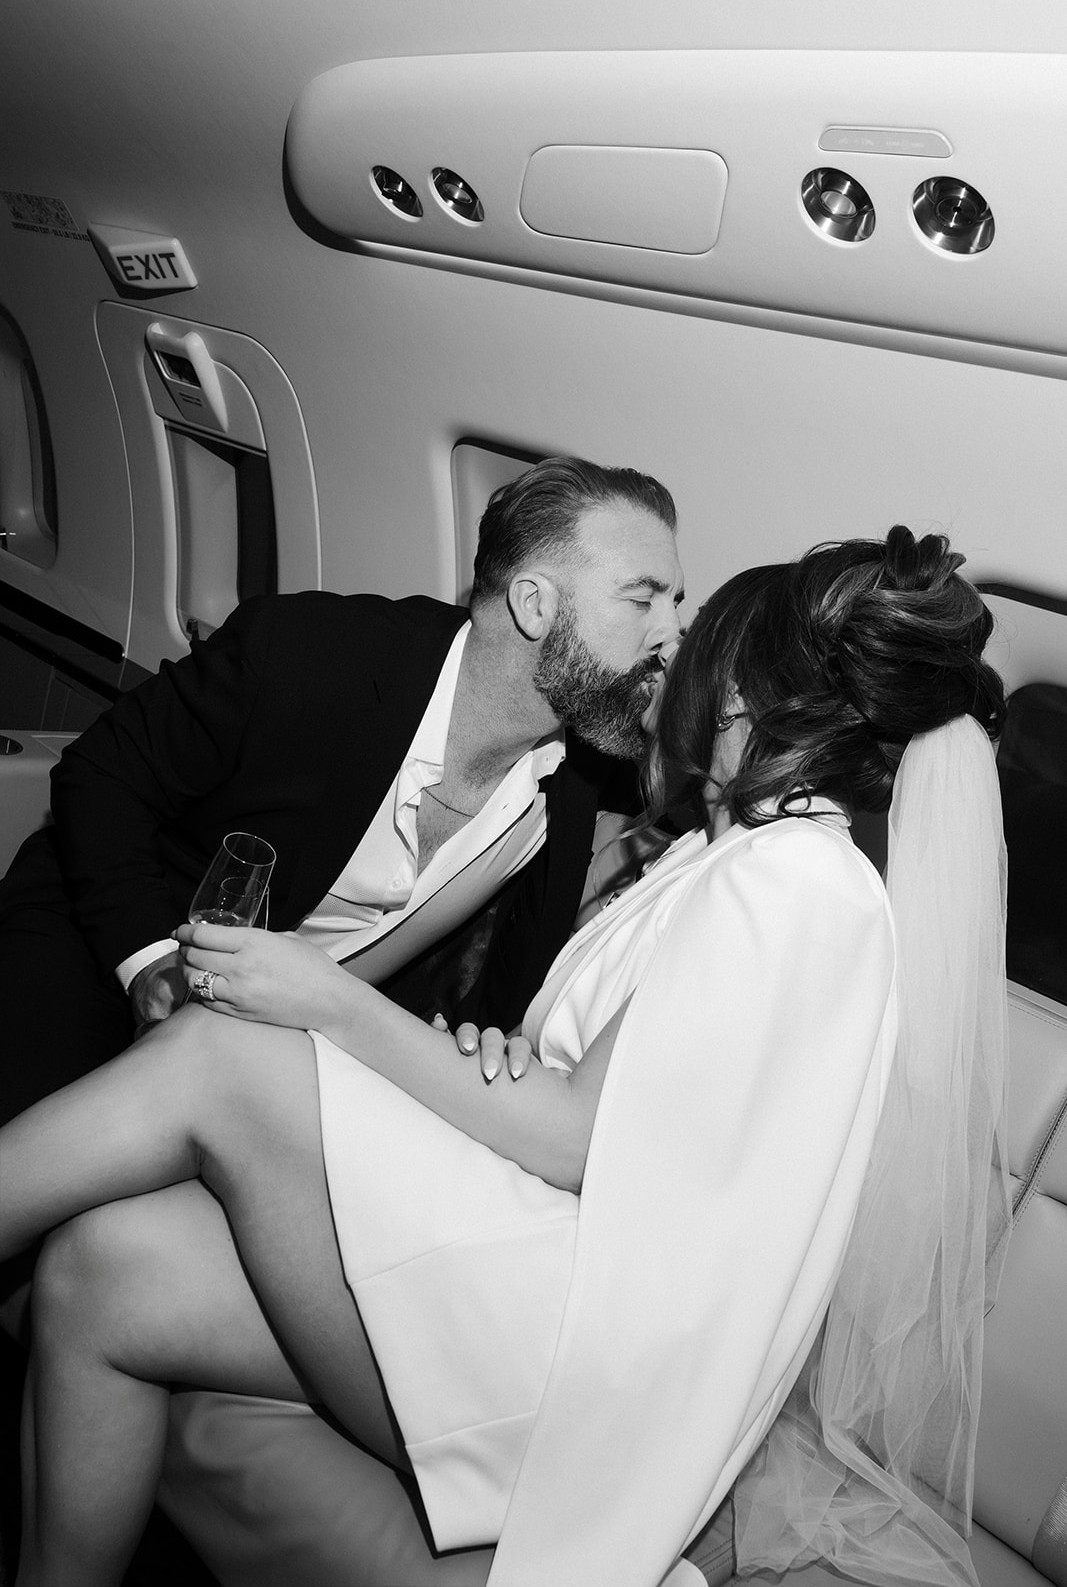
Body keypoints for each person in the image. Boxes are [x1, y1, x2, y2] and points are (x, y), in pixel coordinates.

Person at [0, 526, 1010, 1587]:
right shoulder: (745, 860)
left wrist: (331, 1003)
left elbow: (579, 1138)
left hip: (569, 1361)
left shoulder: (796, 883)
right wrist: (498, 1057)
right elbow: (617, 1108)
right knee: (98, 1272)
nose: (672, 661)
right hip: (545, 1286)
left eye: (698, 643)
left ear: (741, 700)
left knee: (219, 1050)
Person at [0, 454, 684, 1133]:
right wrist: (150, 963)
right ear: (535, 605)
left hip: (279, 1033)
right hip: (108, 933)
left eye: (675, 603)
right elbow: (102, 774)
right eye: (641, 598)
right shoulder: (311, 653)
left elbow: (722, 790)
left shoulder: (587, 769)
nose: (668, 634)